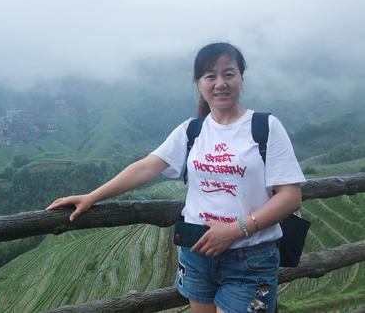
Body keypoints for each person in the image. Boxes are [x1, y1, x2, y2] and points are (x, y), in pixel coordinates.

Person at [47, 42, 305, 313]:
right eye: (210, 76)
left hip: (250, 258)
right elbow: (146, 168)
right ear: (199, 84)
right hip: (197, 252)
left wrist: (235, 230)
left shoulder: (265, 127)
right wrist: (92, 196)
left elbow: (290, 197)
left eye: (229, 74)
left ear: (241, 79)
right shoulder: (191, 130)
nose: (220, 83)